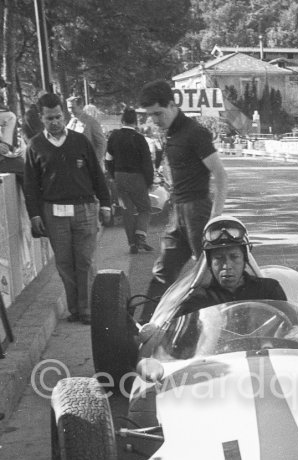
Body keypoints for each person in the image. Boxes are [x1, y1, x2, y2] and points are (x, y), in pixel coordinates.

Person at [23, 92, 111, 324]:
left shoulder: (80, 140)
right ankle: (75, 309)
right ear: (41, 118)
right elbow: (30, 185)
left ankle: (88, 310)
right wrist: (34, 215)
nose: (55, 122)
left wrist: (106, 203)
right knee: (64, 263)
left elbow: (96, 174)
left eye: (58, 117)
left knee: (85, 260)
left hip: (84, 209)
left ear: (64, 115)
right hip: (54, 213)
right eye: (49, 118)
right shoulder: (35, 146)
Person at [139, 79, 228, 293]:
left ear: (172, 105)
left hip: (198, 210)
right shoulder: (172, 133)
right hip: (178, 211)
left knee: (209, 271)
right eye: (150, 114)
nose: (154, 119)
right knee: (163, 272)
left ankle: (221, 322)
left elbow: (220, 175)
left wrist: (215, 216)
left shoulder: (195, 132)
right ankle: (145, 324)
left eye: (158, 113)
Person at [176, 215, 286, 315]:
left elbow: (291, 329)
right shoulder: (197, 299)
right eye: (218, 258)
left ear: (245, 259)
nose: (227, 266)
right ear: (209, 262)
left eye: (234, 257)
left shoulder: (269, 291)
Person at [105, 107, 155, 253]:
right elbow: (147, 163)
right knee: (145, 208)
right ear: (136, 121)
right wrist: (150, 181)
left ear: (122, 120)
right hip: (137, 177)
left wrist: (113, 174)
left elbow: (108, 159)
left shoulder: (114, 136)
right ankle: (140, 237)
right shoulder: (139, 139)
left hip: (119, 176)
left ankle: (132, 244)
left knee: (127, 210)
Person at [66, 95, 106, 165]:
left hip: (87, 165)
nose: (70, 111)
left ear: (81, 106)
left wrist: (93, 162)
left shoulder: (91, 122)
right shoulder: (71, 122)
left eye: (72, 108)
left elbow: (101, 143)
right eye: (68, 108)